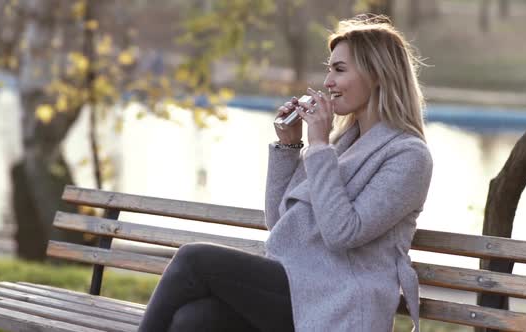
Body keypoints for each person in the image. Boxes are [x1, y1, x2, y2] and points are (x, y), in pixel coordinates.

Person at [138, 14, 432, 332]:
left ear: (377, 75)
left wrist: (318, 146)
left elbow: (343, 233)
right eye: (329, 68)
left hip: (341, 303)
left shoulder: (409, 156)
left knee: (194, 259)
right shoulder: (343, 145)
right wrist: (289, 148)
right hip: (301, 289)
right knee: (194, 320)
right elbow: (281, 226)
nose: (328, 81)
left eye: (339, 69)